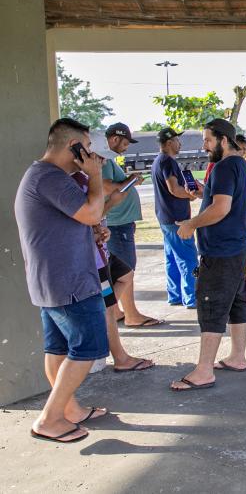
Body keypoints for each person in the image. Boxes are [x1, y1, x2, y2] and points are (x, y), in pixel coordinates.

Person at [14, 118, 110, 443]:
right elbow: (91, 212)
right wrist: (95, 176)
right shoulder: (50, 177)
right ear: (74, 147)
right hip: (68, 282)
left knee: (57, 350)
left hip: (52, 280)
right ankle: (50, 419)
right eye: (88, 148)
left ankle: (69, 410)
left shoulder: (42, 176)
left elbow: (82, 219)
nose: (93, 156)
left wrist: (92, 231)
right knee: (88, 348)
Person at [170, 119, 246, 391]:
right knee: (236, 301)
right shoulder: (243, 165)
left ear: (223, 140)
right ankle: (237, 356)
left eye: (207, 140)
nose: (204, 146)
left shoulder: (222, 167)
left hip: (221, 250)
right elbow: (244, 200)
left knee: (211, 305)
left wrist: (190, 224)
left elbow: (221, 208)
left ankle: (204, 370)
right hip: (239, 245)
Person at [71, 170, 157, 375]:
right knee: (108, 307)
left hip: (101, 252)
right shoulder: (73, 181)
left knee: (125, 275)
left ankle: (102, 313)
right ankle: (120, 357)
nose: (100, 161)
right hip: (92, 258)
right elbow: (86, 216)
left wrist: (100, 230)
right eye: (97, 156)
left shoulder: (85, 177)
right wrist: (112, 203)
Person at [152, 128, 201, 309]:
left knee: (172, 259)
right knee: (188, 259)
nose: (180, 144)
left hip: (165, 217)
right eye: (177, 141)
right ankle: (192, 297)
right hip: (177, 219)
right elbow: (173, 188)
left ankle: (175, 295)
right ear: (170, 142)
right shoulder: (168, 161)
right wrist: (190, 195)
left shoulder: (158, 161)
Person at [100, 123, 143, 269]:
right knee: (125, 271)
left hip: (121, 223)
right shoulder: (104, 160)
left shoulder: (108, 160)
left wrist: (131, 182)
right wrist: (130, 181)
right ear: (114, 139)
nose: (126, 148)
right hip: (117, 225)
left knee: (125, 269)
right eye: (125, 143)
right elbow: (105, 188)